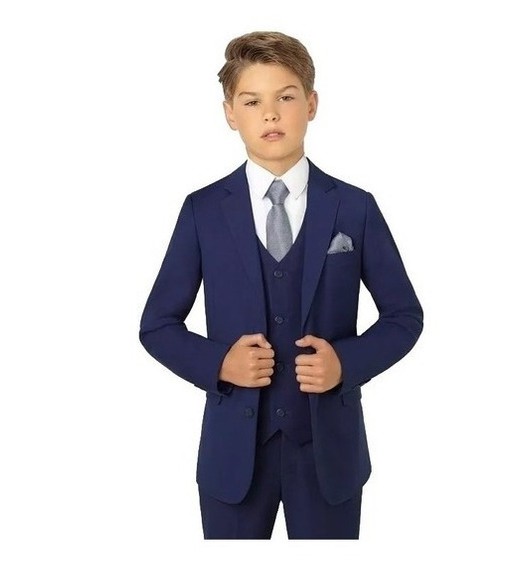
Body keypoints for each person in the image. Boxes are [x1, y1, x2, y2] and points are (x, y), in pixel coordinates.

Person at [139, 31, 423, 539]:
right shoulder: (203, 210)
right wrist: (219, 364)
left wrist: (346, 363)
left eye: (286, 97)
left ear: (311, 104)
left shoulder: (355, 207)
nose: (270, 114)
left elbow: (404, 316)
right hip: (233, 453)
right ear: (230, 113)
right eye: (252, 101)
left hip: (328, 452)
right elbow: (157, 325)